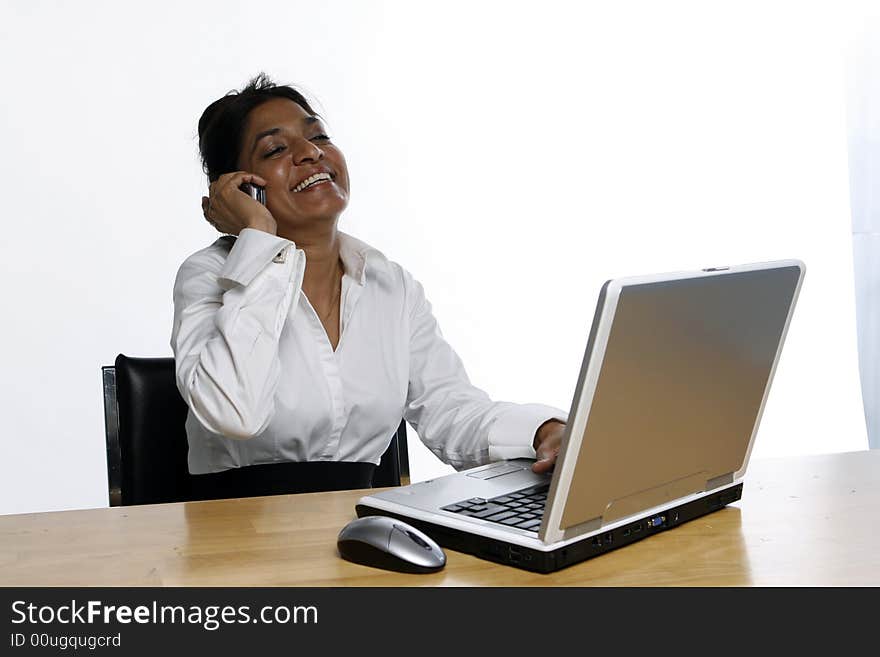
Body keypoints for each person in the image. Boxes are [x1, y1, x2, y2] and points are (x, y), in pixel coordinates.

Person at [170, 74, 567, 494]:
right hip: (234, 537)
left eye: (318, 136)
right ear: (239, 189)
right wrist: (260, 240)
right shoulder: (209, 276)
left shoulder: (389, 284)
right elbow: (236, 413)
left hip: (360, 532)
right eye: (275, 149)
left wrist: (544, 431)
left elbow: (451, 409)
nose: (310, 153)